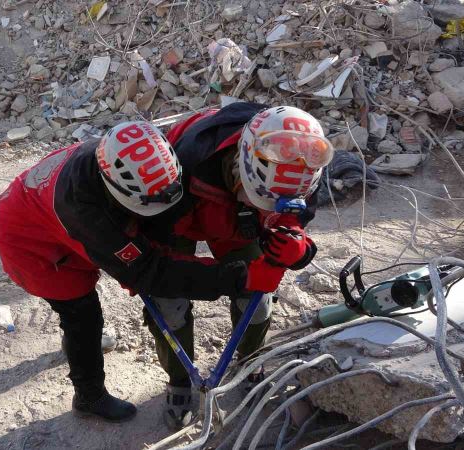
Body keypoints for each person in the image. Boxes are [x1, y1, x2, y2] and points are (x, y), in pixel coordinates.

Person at [0, 121, 297, 423]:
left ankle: (246, 363)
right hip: (32, 241)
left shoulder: (138, 155)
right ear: (119, 195)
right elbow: (148, 272)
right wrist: (239, 277)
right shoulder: (88, 215)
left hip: (50, 205)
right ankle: (89, 395)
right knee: (81, 316)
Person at [142, 104, 333, 429]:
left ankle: (250, 363)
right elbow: (159, 258)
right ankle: (180, 382)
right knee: (168, 302)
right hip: (182, 210)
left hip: (236, 218)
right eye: (259, 197)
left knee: (257, 301)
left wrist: (296, 244)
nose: (266, 207)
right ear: (242, 168)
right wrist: (216, 279)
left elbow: (293, 219)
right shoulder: (187, 161)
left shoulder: (303, 164)